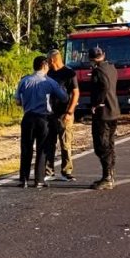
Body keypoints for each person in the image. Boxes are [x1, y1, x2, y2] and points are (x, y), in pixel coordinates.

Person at [15, 56, 68, 188]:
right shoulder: (50, 82)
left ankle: (24, 179)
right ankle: (39, 179)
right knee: (42, 148)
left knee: (26, 148)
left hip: (28, 117)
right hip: (44, 118)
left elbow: (17, 101)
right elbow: (63, 97)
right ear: (45, 66)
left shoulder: (24, 81)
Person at [45, 49, 80, 182]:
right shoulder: (48, 73)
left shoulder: (69, 73)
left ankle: (67, 170)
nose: (48, 63)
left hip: (65, 114)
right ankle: (49, 170)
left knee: (66, 143)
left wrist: (69, 112)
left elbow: (76, 93)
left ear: (53, 60)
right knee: (49, 143)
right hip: (50, 113)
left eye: (49, 60)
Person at [88, 47, 120, 190]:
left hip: (103, 112)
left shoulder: (98, 71)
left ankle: (107, 177)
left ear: (91, 59)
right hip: (114, 110)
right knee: (110, 143)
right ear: (103, 55)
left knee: (101, 144)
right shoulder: (112, 68)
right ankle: (109, 174)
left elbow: (104, 86)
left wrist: (97, 103)